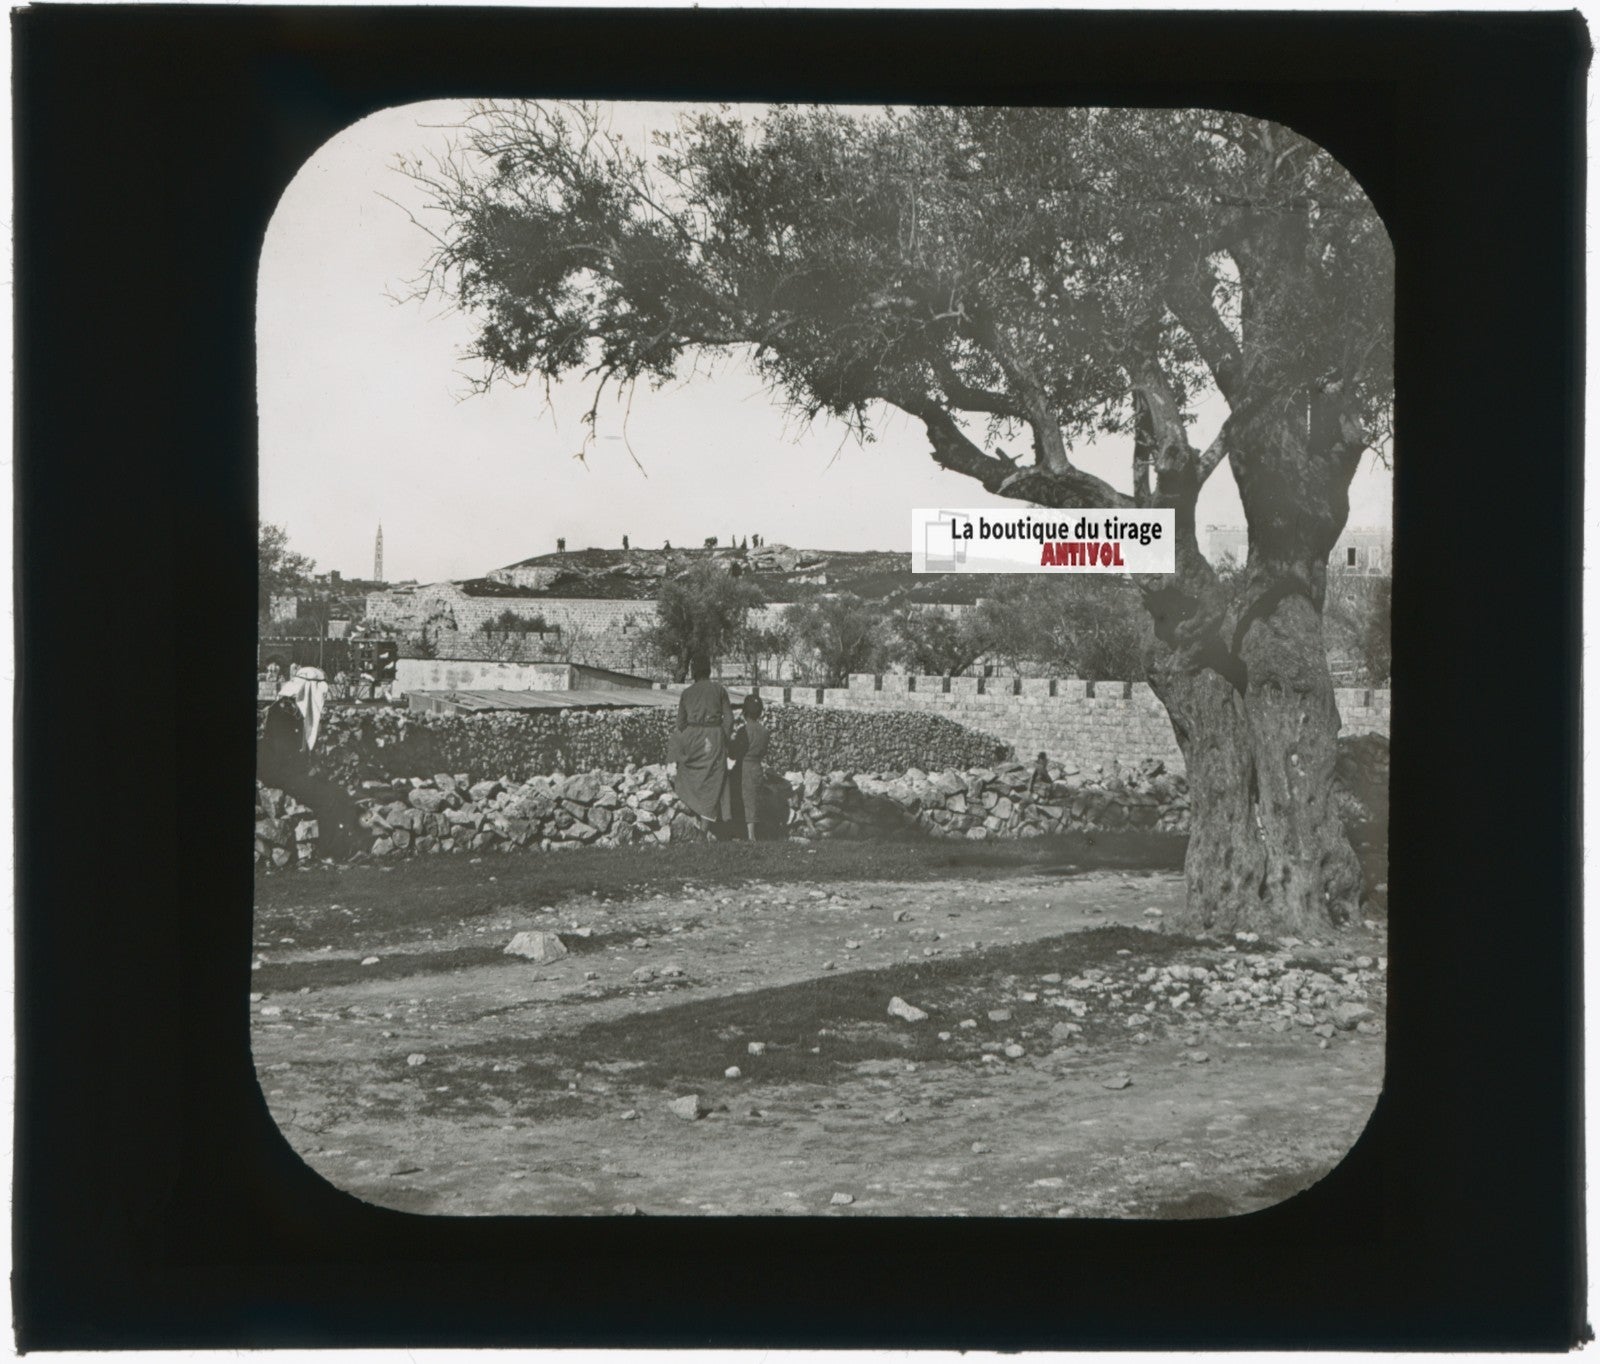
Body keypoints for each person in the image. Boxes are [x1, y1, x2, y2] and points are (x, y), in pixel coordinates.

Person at [672, 654, 733, 834]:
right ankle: (705, 828)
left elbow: (680, 723)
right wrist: (723, 738)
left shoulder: (687, 692)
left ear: (693, 672)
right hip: (713, 737)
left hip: (693, 737)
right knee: (713, 780)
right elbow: (729, 718)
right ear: (709, 670)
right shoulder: (719, 690)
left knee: (689, 776)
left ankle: (700, 825)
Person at [729, 693, 770, 842]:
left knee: (743, 799)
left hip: (744, 768)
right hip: (757, 767)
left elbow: (734, 754)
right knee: (753, 799)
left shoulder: (743, 731)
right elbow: (764, 751)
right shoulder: (764, 732)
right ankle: (751, 833)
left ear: (745, 712)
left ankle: (747, 835)